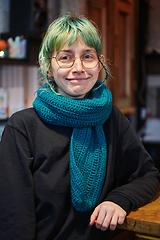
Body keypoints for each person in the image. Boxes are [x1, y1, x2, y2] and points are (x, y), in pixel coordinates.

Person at [0, 14, 159, 240]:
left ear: (100, 61)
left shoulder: (113, 119)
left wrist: (119, 200)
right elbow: (14, 219)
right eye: (65, 57)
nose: (78, 68)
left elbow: (148, 177)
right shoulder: (23, 127)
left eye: (87, 56)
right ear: (47, 65)